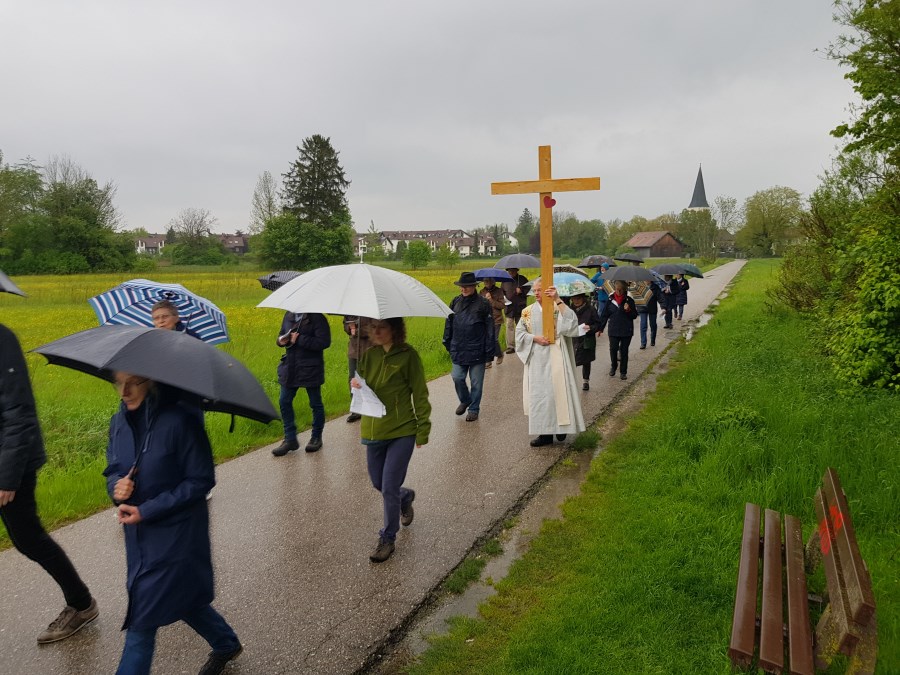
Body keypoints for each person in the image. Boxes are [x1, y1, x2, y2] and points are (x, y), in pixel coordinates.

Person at [104, 373, 241, 675]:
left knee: (142, 621)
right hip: (139, 537)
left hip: (178, 533)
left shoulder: (179, 422)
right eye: (118, 382)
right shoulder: (119, 424)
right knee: (184, 598)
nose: (124, 390)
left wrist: (148, 510)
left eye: (133, 382)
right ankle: (225, 642)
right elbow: (112, 468)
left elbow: (201, 479)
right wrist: (116, 487)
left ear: (151, 382)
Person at [0, 323, 99, 644]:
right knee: (26, 538)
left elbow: (19, 412)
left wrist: (8, 476)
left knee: (28, 538)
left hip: (11, 462)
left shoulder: (3, 339)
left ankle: (81, 604)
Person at [351, 318, 431, 563]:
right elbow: (361, 388)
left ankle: (387, 538)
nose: (376, 331)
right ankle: (405, 497)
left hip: (402, 429)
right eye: (373, 327)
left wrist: (422, 429)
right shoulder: (369, 356)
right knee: (379, 483)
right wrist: (355, 384)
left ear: (395, 330)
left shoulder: (408, 356)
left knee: (388, 486)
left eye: (382, 327)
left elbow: (420, 393)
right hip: (373, 430)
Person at [515, 280, 585, 447]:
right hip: (537, 358)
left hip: (557, 356)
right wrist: (534, 338)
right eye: (535, 290)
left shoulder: (557, 307)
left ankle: (561, 429)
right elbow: (519, 334)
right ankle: (545, 434)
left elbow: (572, 325)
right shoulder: (527, 312)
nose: (537, 293)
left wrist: (558, 299)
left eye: (540, 290)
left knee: (558, 393)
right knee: (541, 397)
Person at [272, 311, 331, 456]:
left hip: (310, 367)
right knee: (284, 401)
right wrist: (281, 341)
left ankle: (316, 437)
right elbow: (281, 335)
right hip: (290, 367)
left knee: (315, 403)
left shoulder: (317, 318)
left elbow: (324, 342)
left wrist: (300, 339)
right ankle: (290, 439)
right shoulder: (288, 315)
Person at [443, 272, 495, 422]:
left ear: (474, 286)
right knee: (457, 377)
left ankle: (473, 409)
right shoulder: (455, 302)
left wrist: (489, 350)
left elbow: (490, 328)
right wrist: (447, 342)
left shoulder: (484, 304)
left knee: (476, 383)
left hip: (477, 348)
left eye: (467, 286)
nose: (463, 289)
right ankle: (465, 400)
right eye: (462, 286)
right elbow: (449, 324)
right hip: (458, 347)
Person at [597, 279, 638, 380]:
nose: (618, 292)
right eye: (617, 289)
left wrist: (628, 310)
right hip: (613, 329)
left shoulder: (629, 300)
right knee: (613, 349)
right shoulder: (610, 300)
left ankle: (623, 372)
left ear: (624, 289)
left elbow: (634, 316)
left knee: (624, 351)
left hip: (626, 330)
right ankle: (613, 366)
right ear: (614, 289)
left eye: (621, 290)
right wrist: (600, 328)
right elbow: (604, 315)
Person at [343, 316, 375, 423]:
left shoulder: (370, 307)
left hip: (369, 349)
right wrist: (349, 328)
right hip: (354, 350)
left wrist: (357, 331)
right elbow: (345, 325)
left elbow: (375, 327)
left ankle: (372, 407)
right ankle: (356, 410)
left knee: (370, 378)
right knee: (353, 379)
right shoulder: (350, 308)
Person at [570, 293, 603, 391]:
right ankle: (571, 381)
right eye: (574, 299)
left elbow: (598, 324)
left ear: (583, 298)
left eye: (578, 299)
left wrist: (591, 327)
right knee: (572, 360)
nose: (576, 301)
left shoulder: (591, 309)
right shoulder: (569, 310)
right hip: (574, 338)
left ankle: (585, 380)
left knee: (586, 360)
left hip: (586, 339)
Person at [501, 267, 529, 354]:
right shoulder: (504, 281)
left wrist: (521, 291)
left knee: (521, 326)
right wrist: (504, 299)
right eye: (509, 271)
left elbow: (529, 291)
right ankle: (510, 346)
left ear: (517, 270)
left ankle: (523, 344)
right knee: (509, 326)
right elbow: (501, 293)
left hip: (520, 307)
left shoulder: (522, 279)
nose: (511, 272)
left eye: (513, 270)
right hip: (509, 308)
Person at [480, 277, 506, 368]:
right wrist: (484, 301)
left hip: (496, 319)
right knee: (486, 340)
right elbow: (479, 305)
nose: (486, 282)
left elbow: (502, 305)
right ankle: (488, 361)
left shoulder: (499, 291)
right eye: (485, 281)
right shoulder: (482, 291)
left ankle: (499, 354)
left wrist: (491, 300)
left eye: (488, 281)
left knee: (494, 339)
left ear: (493, 282)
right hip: (485, 319)